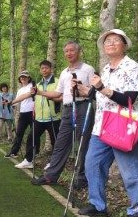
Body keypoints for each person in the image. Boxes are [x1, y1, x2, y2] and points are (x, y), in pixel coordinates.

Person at [77, 29, 138, 217]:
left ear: (124, 45)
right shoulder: (106, 69)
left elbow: (129, 99)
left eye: (116, 40)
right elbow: (101, 95)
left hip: (124, 126)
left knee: (131, 171)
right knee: (92, 164)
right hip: (102, 126)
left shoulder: (132, 67)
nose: (111, 43)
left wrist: (100, 88)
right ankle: (98, 205)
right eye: (107, 41)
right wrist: (83, 89)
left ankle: (136, 212)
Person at [31, 41, 95, 187]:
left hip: (83, 107)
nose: (69, 53)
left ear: (79, 51)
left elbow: (94, 92)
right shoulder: (64, 72)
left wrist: (80, 90)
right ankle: (50, 176)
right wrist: (40, 92)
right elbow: (58, 93)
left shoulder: (88, 69)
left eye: (72, 50)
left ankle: (82, 179)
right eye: (66, 51)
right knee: (60, 143)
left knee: (83, 143)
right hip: (67, 109)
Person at [15, 61, 62, 169]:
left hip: (53, 118)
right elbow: (27, 95)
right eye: (42, 68)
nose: (44, 70)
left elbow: (61, 98)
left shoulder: (58, 82)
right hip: (39, 118)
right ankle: (28, 160)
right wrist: (12, 102)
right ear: (40, 70)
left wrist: (52, 98)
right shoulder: (38, 85)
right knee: (31, 138)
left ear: (51, 69)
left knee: (56, 142)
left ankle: (53, 163)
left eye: (46, 68)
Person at [4, 71, 34, 158]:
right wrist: (8, 103)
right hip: (23, 113)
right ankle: (14, 152)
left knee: (34, 133)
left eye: (25, 77)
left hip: (33, 112)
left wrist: (12, 102)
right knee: (19, 133)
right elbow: (16, 102)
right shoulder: (20, 90)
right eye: (21, 77)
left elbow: (26, 96)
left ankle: (35, 152)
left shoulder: (32, 86)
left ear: (28, 78)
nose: (23, 78)